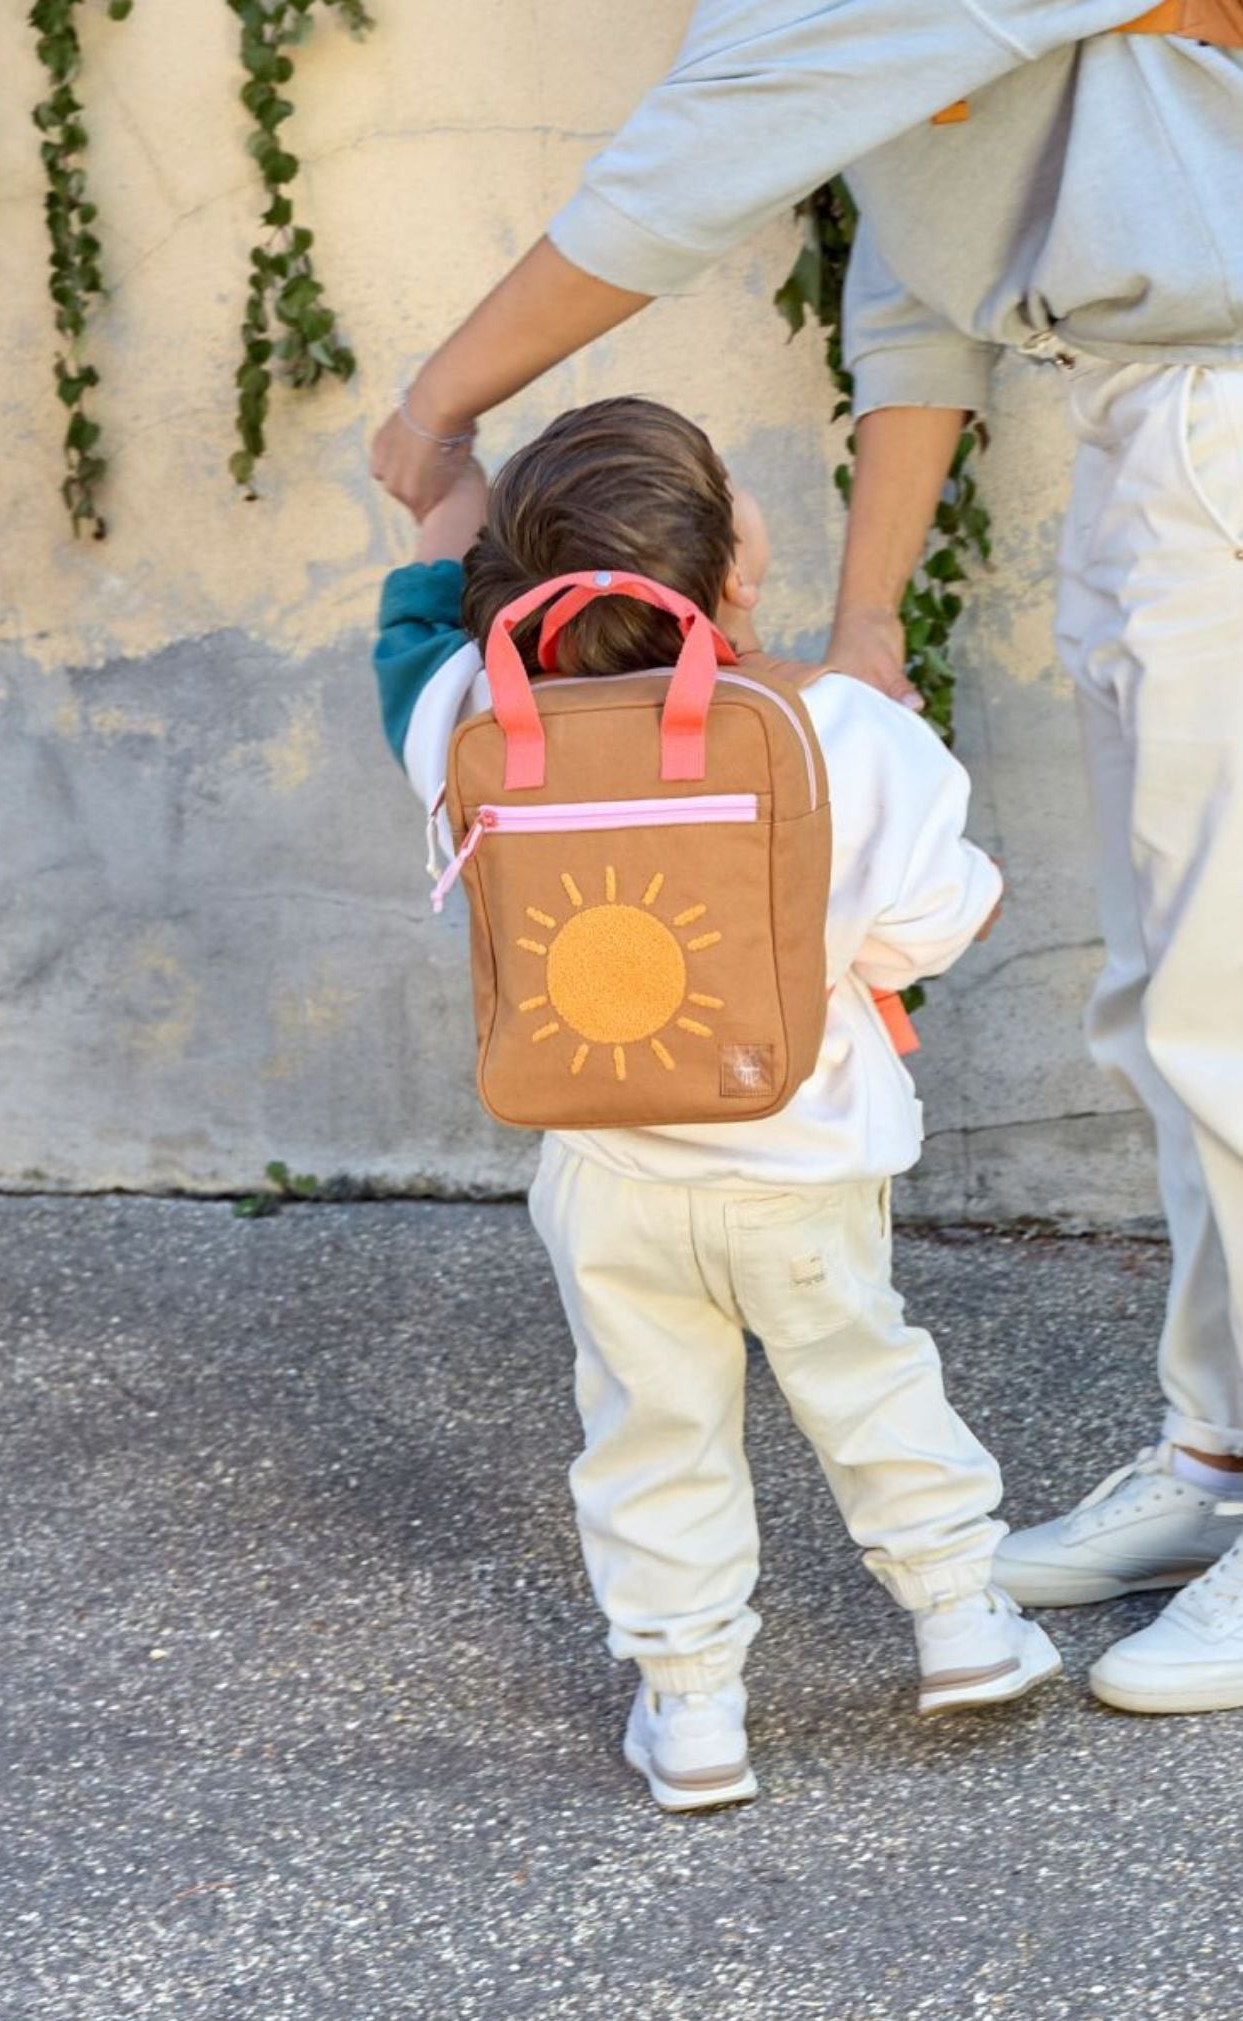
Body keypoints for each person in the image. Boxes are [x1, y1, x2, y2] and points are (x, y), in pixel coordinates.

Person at [371, 0, 1243, 1719]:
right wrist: (864, 625)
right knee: (1178, 1001)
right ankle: (1233, 1455)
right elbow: (921, 282)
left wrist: (437, 415)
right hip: (1164, 433)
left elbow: (692, 163)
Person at [373, 397, 1060, 1810]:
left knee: (651, 1426)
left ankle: (692, 1714)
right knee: (869, 1382)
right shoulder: (844, 730)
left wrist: (445, 473)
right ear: (735, 573)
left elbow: (415, 626)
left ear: (506, 582)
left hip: (607, 1180)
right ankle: (961, 1620)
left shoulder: (468, 722)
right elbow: (941, 925)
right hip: (802, 1160)